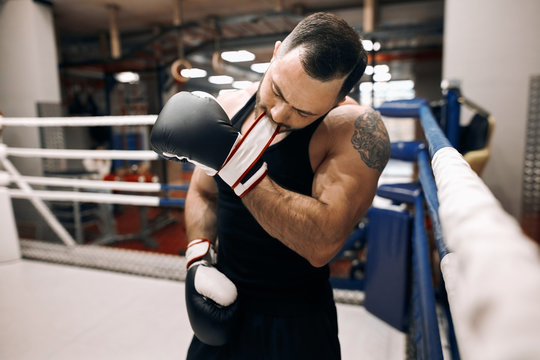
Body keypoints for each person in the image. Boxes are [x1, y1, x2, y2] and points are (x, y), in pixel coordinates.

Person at [152, 12, 390, 360]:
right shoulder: (230, 106)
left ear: (336, 101)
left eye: (303, 111)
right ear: (276, 52)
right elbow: (204, 193)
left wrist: (236, 167)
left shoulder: (352, 128)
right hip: (224, 300)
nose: (279, 113)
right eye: (276, 90)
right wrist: (198, 257)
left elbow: (323, 241)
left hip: (297, 322)